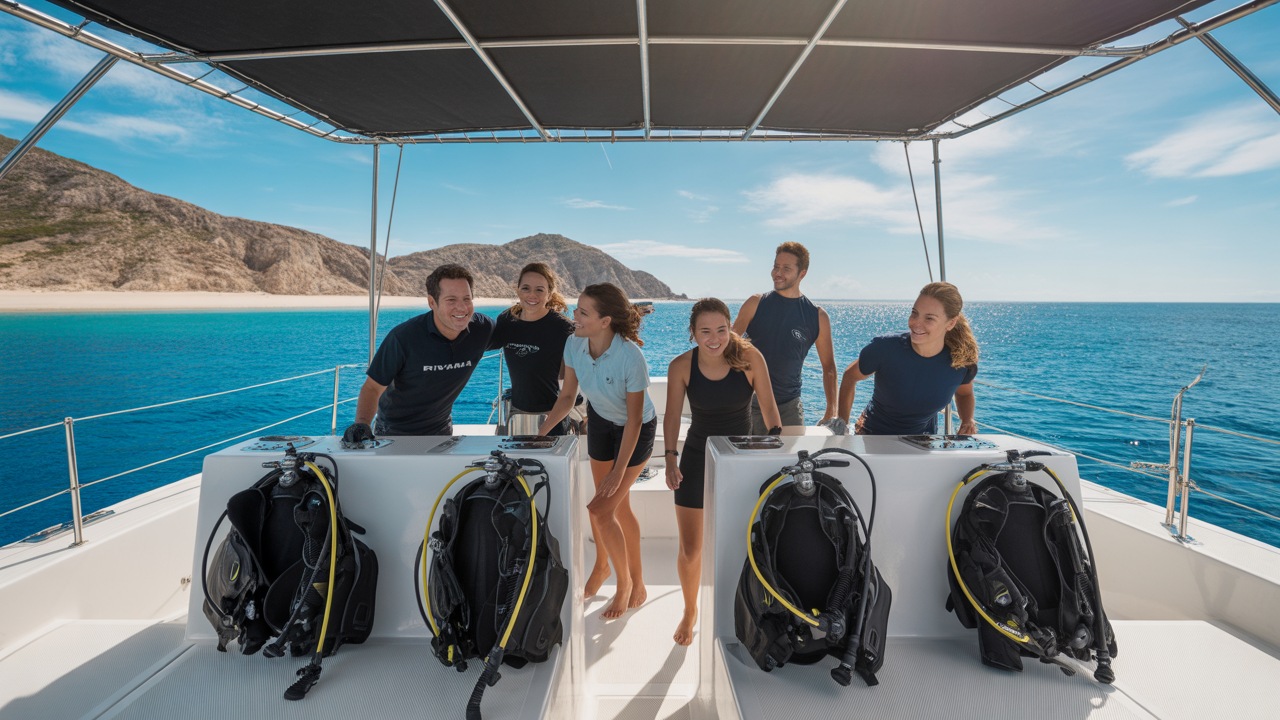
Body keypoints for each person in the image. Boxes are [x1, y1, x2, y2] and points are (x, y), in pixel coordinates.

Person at [663, 299, 781, 646]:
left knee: (745, 545)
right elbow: (672, 416)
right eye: (705, 331)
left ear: (730, 327)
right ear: (693, 333)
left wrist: (773, 454)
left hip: (739, 460)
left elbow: (769, 410)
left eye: (721, 330)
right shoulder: (681, 366)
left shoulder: (749, 358)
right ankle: (690, 610)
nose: (714, 338)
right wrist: (670, 458)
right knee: (691, 550)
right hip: (696, 458)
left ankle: (743, 607)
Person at [538, 283, 656, 620]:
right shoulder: (574, 343)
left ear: (605, 321)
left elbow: (635, 420)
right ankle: (604, 566)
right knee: (615, 507)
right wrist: (540, 434)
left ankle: (627, 583)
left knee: (601, 510)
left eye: (583, 312)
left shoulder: (630, 357)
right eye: (576, 309)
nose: (574, 316)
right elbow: (567, 398)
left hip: (636, 430)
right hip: (601, 423)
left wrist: (619, 471)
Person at [343, 263, 494, 442]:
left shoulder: (482, 329)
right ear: (432, 302)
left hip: (442, 429)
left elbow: (514, 333)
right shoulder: (403, 338)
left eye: (466, 299)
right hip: (394, 432)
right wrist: (362, 425)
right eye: (451, 300)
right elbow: (372, 388)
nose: (461, 308)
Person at [834, 281, 979, 435]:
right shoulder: (885, 348)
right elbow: (850, 376)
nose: (916, 323)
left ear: (951, 323)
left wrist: (967, 420)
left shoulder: (960, 362)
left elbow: (964, 393)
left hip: (923, 441)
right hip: (872, 435)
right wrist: (842, 424)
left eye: (929, 318)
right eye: (914, 313)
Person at [732, 241, 837, 433]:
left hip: (789, 408)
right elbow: (728, 347)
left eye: (786, 268)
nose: (777, 273)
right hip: (750, 404)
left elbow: (829, 367)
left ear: (802, 273)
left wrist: (831, 410)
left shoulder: (817, 316)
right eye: (776, 267)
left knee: (792, 454)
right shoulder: (755, 303)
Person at [488, 262, 576, 435]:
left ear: (549, 294)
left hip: (552, 416)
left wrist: (543, 431)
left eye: (539, 290)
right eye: (526, 288)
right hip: (516, 413)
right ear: (518, 290)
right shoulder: (507, 320)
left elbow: (570, 383)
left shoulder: (562, 328)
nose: (532, 295)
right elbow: (483, 343)